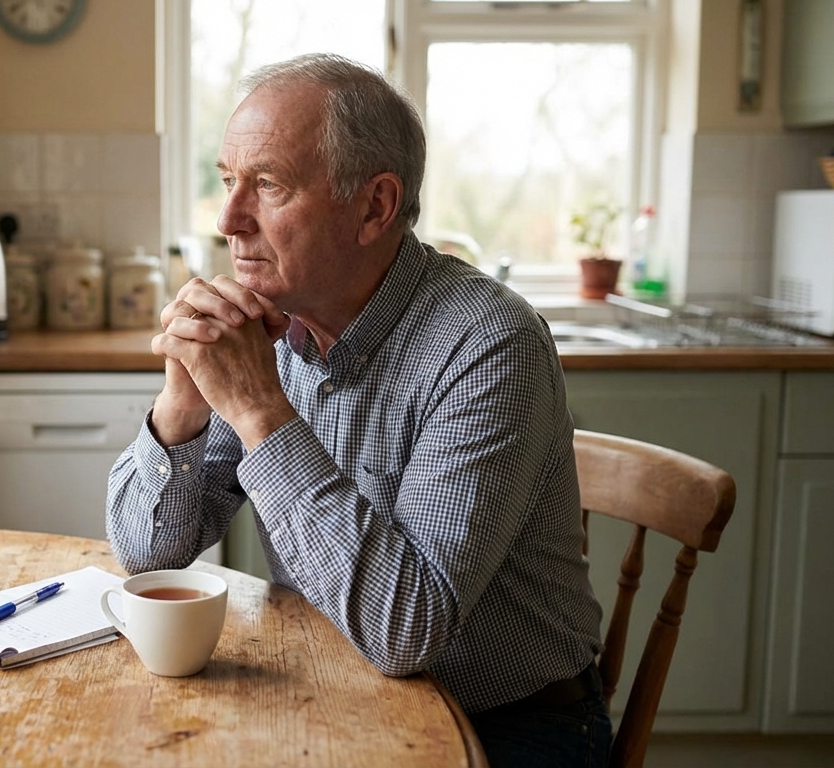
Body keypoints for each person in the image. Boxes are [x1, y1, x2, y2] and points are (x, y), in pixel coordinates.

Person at [104, 53, 608, 767]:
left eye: (268, 184)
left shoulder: (491, 344)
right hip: (337, 693)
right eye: (226, 182)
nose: (228, 219)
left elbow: (408, 630)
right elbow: (147, 555)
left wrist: (257, 411)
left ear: (374, 206)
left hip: (508, 728)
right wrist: (181, 400)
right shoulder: (269, 328)